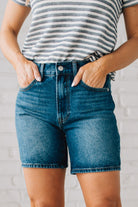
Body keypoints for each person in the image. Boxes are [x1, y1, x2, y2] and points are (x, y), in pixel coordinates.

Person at [0, 0, 138, 206]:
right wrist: (20, 64)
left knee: (105, 202)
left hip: (90, 96)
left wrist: (102, 67)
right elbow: (7, 29)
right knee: (43, 204)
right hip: (37, 94)